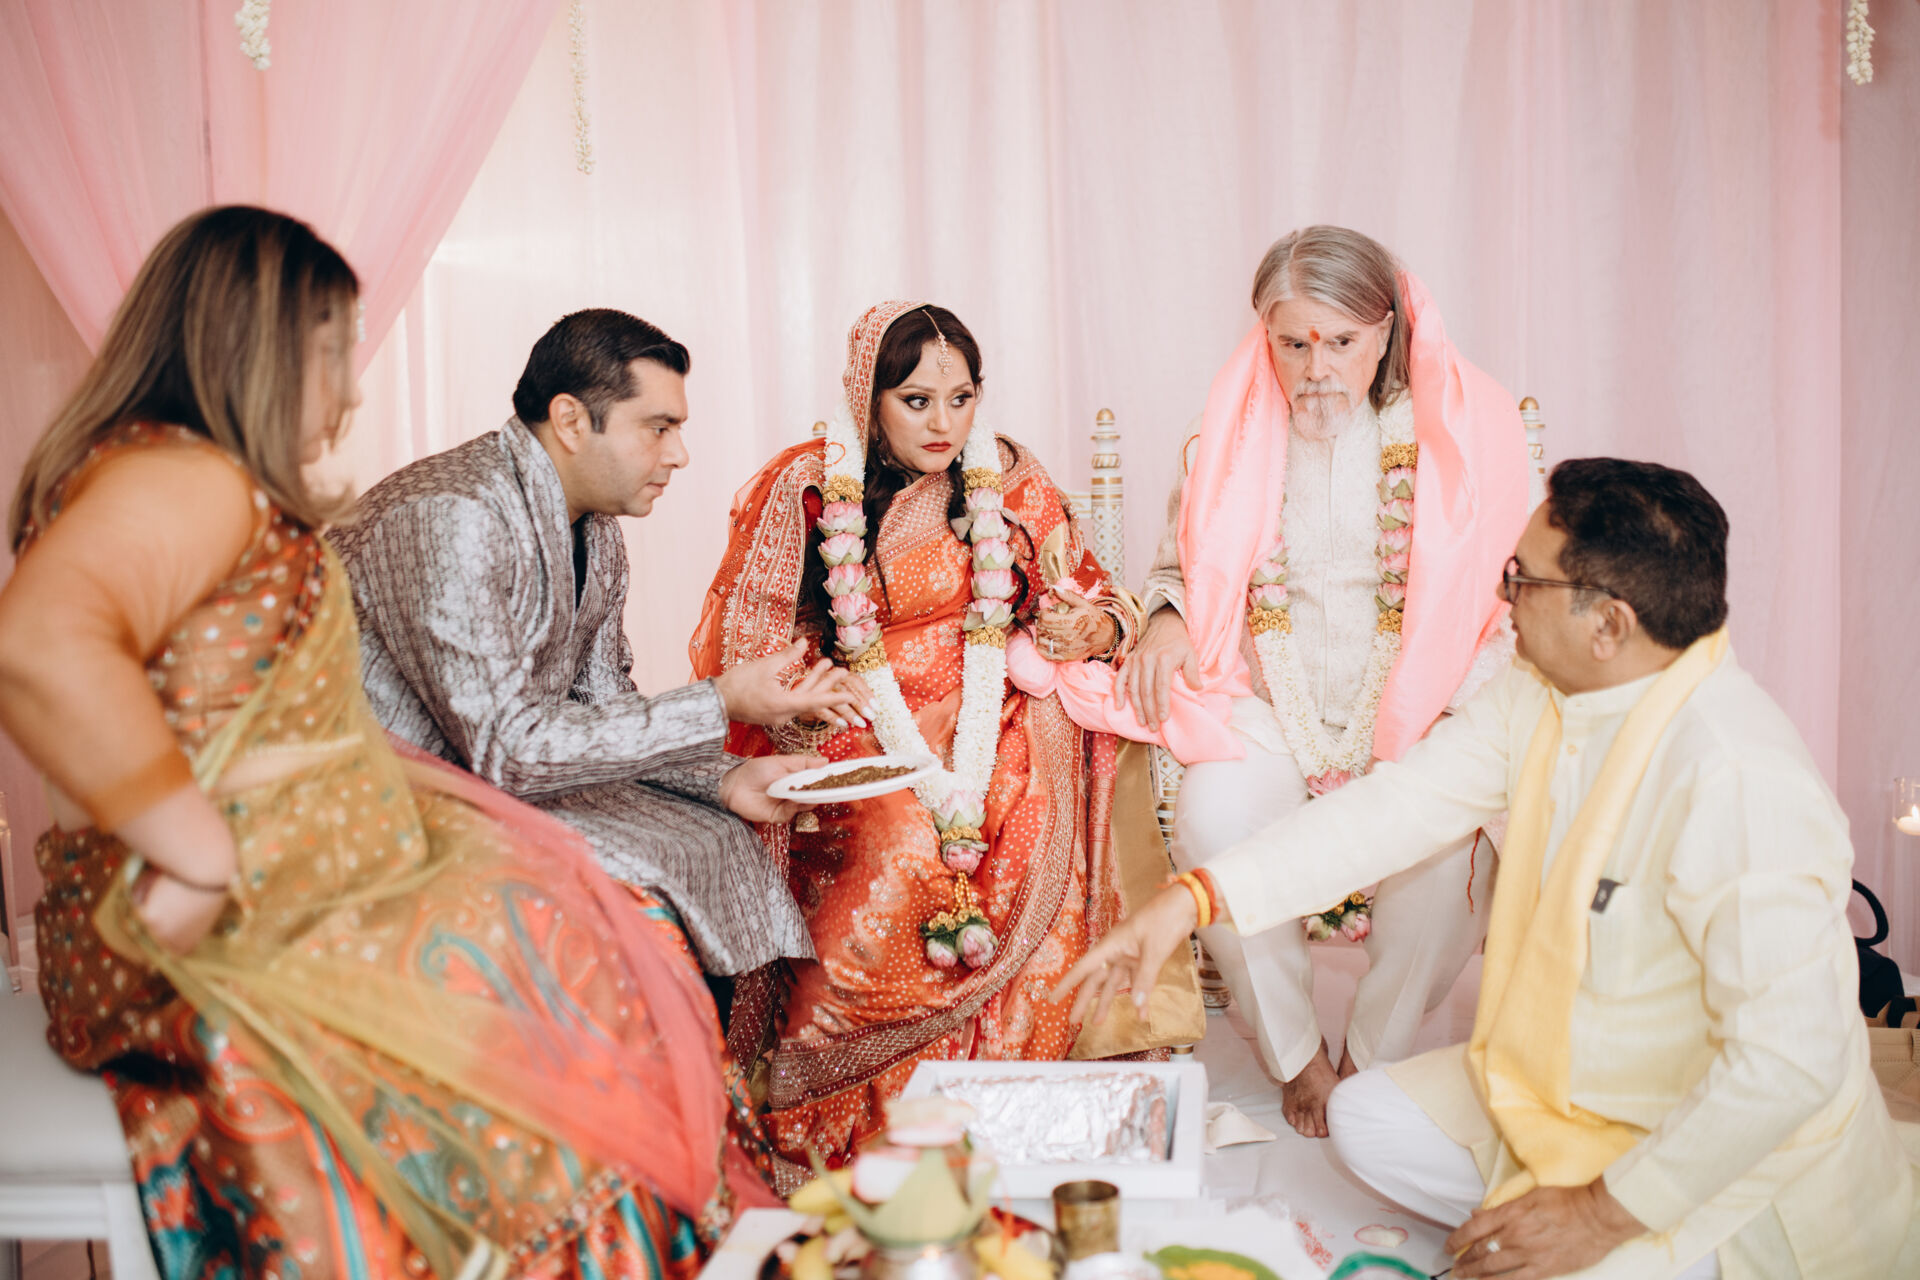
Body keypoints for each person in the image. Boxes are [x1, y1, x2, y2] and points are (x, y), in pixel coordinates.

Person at [0, 205, 777, 1280]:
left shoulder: (196, 476)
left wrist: (727, 772)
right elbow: (40, 645)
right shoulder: (185, 479)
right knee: (573, 971)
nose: (353, 390)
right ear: (259, 346)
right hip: (222, 900)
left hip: (311, 856)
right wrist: (193, 847)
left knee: (591, 938)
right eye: (335, 352)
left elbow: (605, 695)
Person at [1058, 458, 1919, 1279]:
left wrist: (1598, 1216)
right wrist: (1193, 897)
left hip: (1727, 1161)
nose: (1502, 598)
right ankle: (1553, 1213)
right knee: (1365, 1121)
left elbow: (1788, 1065)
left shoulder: (1740, 776)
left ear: (1609, 625)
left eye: (1523, 579)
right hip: (1572, 1091)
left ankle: (1601, 1231)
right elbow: (1393, 810)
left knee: (1583, 1250)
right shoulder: (1544, 693)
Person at [690, 301, 1140, 1181]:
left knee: (1030, 813)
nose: (944, 424)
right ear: (870, 397)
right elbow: (746, 641)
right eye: (917, 400)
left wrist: (1093, 629)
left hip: (990, 706)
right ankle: (861, 1117)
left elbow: (1092, 592)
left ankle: (1011, 1103)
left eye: (961, 398)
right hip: (859, 707)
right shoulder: (810, 486)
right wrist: (806, 697)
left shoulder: (1008, 477)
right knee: (896, 845)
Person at [1116, 225, 1529, 1134]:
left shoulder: (1453, 437)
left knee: (1450, 853)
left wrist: (1448, 725)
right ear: (1264, 337)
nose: (1315, 369)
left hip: (1419, 717)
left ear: (1386, 331)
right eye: (1292, 343)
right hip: (1269, 708)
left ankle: (1371, 1059)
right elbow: (1179, 567)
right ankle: (1297, 1054)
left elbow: (1507, 601)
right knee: (1213, 822)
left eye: (1340, 341)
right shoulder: (1230, 439)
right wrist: (1169, 618)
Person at [331, 309, 867, 982]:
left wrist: (725, 778)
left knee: (718, 836)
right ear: (571, 420)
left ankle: (707, 1055)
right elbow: (509, 750)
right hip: (388, 791)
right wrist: (720, 702)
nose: (679, 454)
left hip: (497, 774)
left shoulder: (597, 529)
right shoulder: (453, 515)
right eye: (659, 428)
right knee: (643, 883)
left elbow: (604, 704)